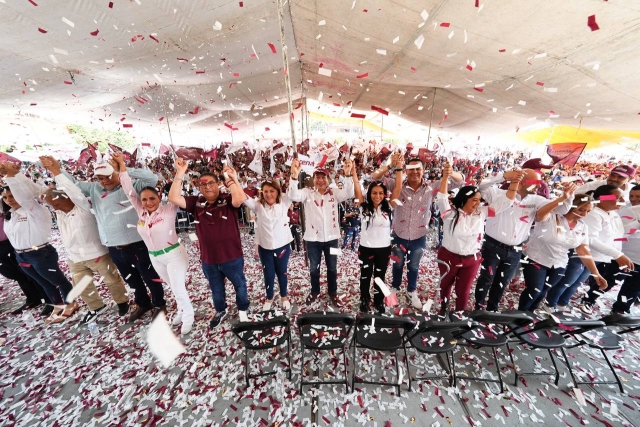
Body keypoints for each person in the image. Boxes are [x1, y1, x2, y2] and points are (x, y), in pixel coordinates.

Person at [54, 158, 166, 322]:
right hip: (114, 247)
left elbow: (152, 179)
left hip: (138, 245)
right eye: (100, 178)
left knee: (149, 276)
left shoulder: (132, 186)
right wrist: (57, 169)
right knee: (131, 279)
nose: (104, 181)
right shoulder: (94, 188)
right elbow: (72, 184)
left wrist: (123, 168)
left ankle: (159, 304)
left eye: (108, 176)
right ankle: (143, 303)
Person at [39, 156, 130, 324]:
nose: (54, 208)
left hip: (97, 253)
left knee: (112, 280)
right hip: (75, 257)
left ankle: (123, 303)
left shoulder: (82, 207)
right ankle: (96, 307)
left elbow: (71, 189)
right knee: (82, 285)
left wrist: (56, 171)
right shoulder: (59, 213)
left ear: (64, 198)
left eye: (55, 204)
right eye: (51, 206)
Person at [113, 154, 195, 335]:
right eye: (144, 200)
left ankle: (188, 316)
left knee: (179, 288)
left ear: (159, 198)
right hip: (155, 257)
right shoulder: (141, 212)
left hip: (174, 254)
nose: (148, 202)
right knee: (173, 287)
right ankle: (182, 311)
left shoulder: (169, 209)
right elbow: (129, 190)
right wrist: (121, 166)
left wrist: (180, 172)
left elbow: (175, 190)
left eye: (152, 199)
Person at [474, 168, 574, 312]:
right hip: (492, 246)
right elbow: (482, 186)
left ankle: (492, 309)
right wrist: (505, 176)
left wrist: (567, 197)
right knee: (486, 278)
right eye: (536, 182)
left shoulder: (536, 200)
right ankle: (479, 307)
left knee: (502, 281)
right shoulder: (497, 194)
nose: (540, 186)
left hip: (515, 250)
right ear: (521, 182)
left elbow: (561, 210)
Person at [371, 154, 464, 309]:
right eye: (411, 169)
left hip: (419, 236)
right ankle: (395, 288)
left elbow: (459, 181)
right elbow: (375, 178)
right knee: (397, 265)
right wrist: (390, 165)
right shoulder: (396, 184)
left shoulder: (432, 187)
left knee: (414, 266)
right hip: (398, 234)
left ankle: (411, 290)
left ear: (423, 170)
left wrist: (451, 172)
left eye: (418, 169)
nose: (414, 172)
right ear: (406, 171)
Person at [168, 158, 250, 330]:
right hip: (209, 259)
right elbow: (174, 197)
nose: (207, 187)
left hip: (231, 256)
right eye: (202, 184)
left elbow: (240, 198)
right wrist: (180, 172)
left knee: (240, 285)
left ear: (218, 184)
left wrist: (231, 179)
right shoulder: (196, 203)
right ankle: (220, 311)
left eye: (211, 183)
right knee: (216, 289)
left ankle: (243, 308)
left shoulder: (227, 199)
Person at [436, 166, 519, 314]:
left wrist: (513, 181)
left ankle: (460, 316)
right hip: (448, 257)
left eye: (479, 200)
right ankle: (443, 309)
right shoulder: (450, 214)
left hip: (471, 260)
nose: (477, 204)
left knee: (464, 291)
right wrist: (445, 178)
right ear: (464, 199)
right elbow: (442, 197)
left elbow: (506, 202)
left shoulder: (482, 213)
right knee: (446, 285)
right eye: (474, 200)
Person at [0, 163, 76, 324]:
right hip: (21, 256)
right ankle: (58, 305)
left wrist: (12, 177)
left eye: (12, 196)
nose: (9, 200)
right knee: (44, 283)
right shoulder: (10, 215)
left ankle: (71, 303)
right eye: (5, 198)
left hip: (40, 253)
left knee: (57, 281)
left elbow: (25, 197)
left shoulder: (34, 210)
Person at [517, 189, 608, 312]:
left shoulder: (582, 227)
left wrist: (596, 274)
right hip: (536, 258)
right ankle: (520, 314)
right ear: (572, 205)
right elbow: (540, 214)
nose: (584, 214)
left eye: (588, 211)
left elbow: (583, 250)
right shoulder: (551, 216)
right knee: (534, 289)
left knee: (543, 290)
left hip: (559, 264)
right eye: (581, 209)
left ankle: (530, 313)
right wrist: (563, 198)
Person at [288, 158, 355, 306]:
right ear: (313, 179)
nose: (320, 180)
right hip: (313, 239)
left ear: (327, 178)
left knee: (332, 267)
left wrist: (348, 174)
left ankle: (332, 292)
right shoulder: (307, 193)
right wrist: (294, 176)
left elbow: (350, 193)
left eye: (323, 177)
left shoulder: (334, 193)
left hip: (332, 238)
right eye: (317, 177)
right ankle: (315, 291)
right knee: (314, 268)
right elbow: (292, 196)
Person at [579, 185, 635, 314]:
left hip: (598, 258)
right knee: (569, 283)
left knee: (576, 282)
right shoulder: (593, 214)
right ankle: (554, 305)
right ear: (603, 198)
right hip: (584, 257)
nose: (623, 201)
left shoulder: (613, 214)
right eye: (618, 197)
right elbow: (591, 240)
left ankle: (558, 304)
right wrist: (617, 255)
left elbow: (618, 235)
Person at [242, 180, 292, 312]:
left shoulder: (284, 202)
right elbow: (243, 197)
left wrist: (294, 175)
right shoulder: (258, 205)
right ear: (262, 193)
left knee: (282, 272)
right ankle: (269, 297)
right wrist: (234, 180)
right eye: (265, 191)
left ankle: (284, 296)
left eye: (272, 191)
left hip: (282, 246)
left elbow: (293, 191)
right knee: (268, 274)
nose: (269, 194)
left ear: (277, 192)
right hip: (265, 247)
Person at [353, 179, 393, 313]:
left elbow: (398, 189)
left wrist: (399, 168)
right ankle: (364, 299)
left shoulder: (389, 207)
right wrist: (353, 172)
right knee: (365, 275)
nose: (377, 196)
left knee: (380, 276)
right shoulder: (363, 206)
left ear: (385, 194)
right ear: (369, 193)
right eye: (374, 193)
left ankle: (378, 300)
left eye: (381, 193)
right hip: (365, 248)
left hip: (384, 248)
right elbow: (357, 188)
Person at [0, 215, 46, 315]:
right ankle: (33, 298)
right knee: (13, 273)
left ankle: (46, 297)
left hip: (10, 242)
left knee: (28, 271)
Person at [613, 191, 640, 312]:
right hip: (624, 254)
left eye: (638, 197)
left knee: (633, 287)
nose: (634, 199)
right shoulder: (626, 208)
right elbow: (620, 232)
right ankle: (589, 300)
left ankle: (621, 310)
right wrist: (638, 223)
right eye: (631, 196)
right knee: (610, 280)